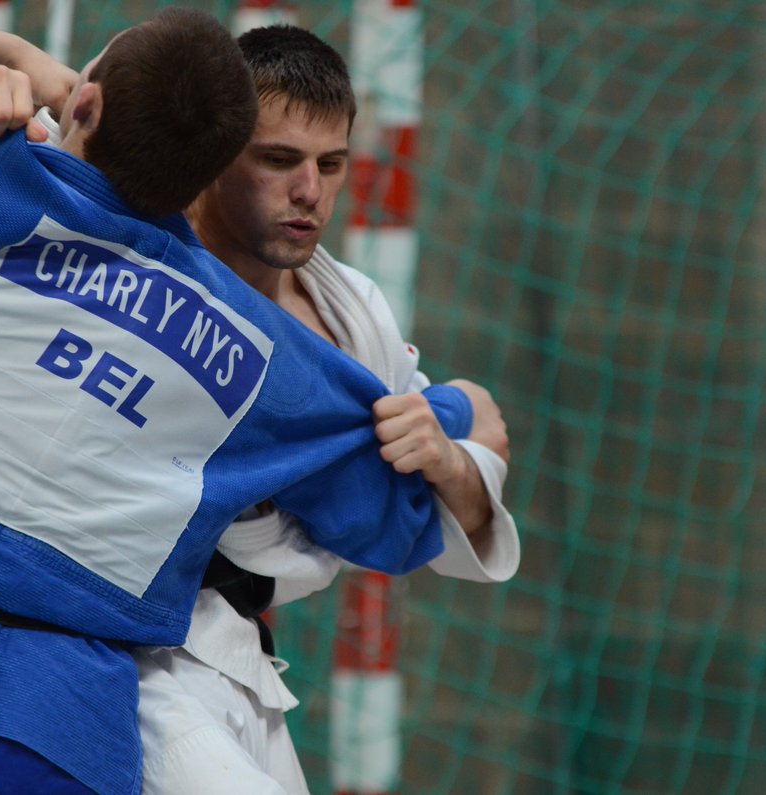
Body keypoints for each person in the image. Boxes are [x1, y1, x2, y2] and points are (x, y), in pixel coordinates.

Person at [0, 3, 477, 793]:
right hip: (61, 732)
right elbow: (399, 516)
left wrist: (4, 51)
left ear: (86, 102)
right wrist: (457, 415)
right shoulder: (262, 353)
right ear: (213, 174)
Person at [130, 26, 522, 794]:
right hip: (128, 654)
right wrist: (0, 70)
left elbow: (460, 497)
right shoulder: (139, 263)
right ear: (215, 151)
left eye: (331, 164)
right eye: (279, 160)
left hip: (242, 661)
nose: (309, 191)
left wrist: (449, 457)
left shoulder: (352, 313)